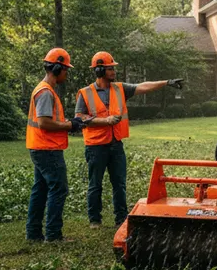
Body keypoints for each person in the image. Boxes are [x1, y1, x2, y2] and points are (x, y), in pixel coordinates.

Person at [74, 51, 182, 228]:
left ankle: (121, 218)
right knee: (95, 184)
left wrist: (166, 83)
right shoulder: (85, 93)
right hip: (96, 146)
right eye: (110, 69)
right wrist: (104, 121)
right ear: (100, 70)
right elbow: (79, 118)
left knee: (119, 183)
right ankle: (95, 220)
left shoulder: (120, 88)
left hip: (116, 144)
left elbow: (143, 86)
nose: (114, 72)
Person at [26, 48, 83, 243]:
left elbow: (49, 120)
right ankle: (53, 235)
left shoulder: (44, 90)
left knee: (40, 189)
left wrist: (71, 122)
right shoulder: (45, 92)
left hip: (40, 147)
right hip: (47, 149)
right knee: (59, 189)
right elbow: (44, 123)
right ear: (57, 68)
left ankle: (33, 234)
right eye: (65, 69)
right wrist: (70, 125)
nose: (66, 74)